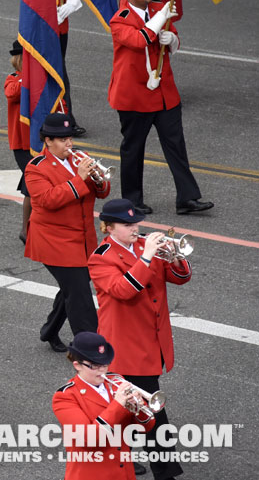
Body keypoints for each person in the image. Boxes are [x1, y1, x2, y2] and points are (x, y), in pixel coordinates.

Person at [89, 199, 191, 480]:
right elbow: (124, 290)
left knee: (127, 407)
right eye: (126, 224)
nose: (135, 228)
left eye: (136, 223)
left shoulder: (144, 246)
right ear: (108, 227)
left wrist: (175, 255)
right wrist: (146, 256)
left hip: (152, 339)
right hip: (126, 345)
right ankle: (166, 473)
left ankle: (115, 457)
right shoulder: (101, 257)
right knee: (153, 414)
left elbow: (181, 278)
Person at [108, 0, 213, 215]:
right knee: (133, 149)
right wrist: (161, 19)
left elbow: (174, 41)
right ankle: (132, 200)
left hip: (164, 94)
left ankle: (187, 198)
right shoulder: (120, 19)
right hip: (134, 96)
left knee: (176, 146)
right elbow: (139, 40)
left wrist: (172, 40)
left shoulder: (158, 10)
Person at [24, 114, 110, 352]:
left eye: (70, 137)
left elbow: (101, 192)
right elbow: (47, 200)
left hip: (82, 239)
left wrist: (99, 179)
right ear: (48, 141)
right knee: (80, 294)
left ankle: (50, 330)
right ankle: (90, 347)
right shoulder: (35, 168)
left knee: (73, 288)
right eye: (62, 140)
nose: (69, 144)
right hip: (54, 242)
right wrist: (79, 178)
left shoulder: (79, 159)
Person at [53, 332, 155, 480]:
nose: (102, 371)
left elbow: (147, 426)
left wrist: (139, 407)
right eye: (94, 366)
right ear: (77, 365)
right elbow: (89, 440)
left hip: (124, 474)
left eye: (105, 364)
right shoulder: (65, 397)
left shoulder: (117, 380)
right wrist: (118, 405)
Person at [18, 0, 86, 136]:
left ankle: (63, 117)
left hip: (61, 27)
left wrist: (71, 3)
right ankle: (56, 119)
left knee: (59, 73)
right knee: (50, 73)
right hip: (41, 28)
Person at [4, 40, 32, 243]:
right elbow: (12, 93)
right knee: (32, 185)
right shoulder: (14, 78)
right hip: (22, 143)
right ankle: (26, 229)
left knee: (32, 185)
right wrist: (29, 77)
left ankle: (28, 229)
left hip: (39, 141)